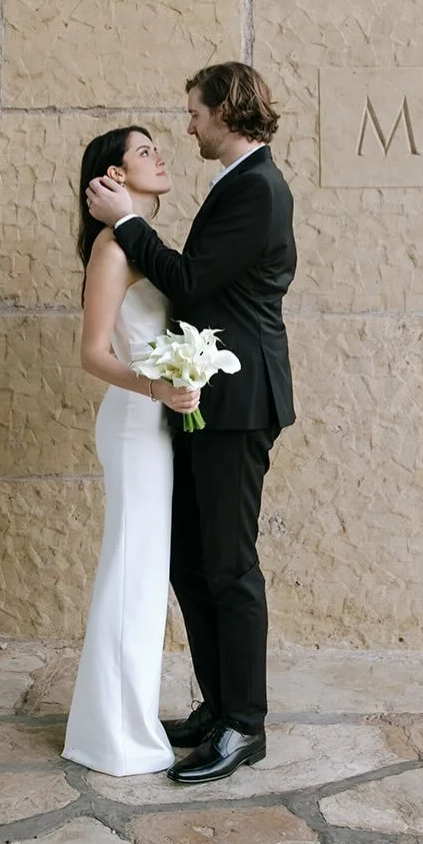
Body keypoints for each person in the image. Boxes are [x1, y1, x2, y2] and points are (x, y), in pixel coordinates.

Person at [86, 62, 296, 785]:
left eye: (194, 113)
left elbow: (190, 281)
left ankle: (246, 725)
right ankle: (217, 706)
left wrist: (126, 222)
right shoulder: (237, 184)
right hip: (203, 401)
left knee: (230, 567)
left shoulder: (257, 189)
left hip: (238, 406)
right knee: (192, 562)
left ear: (225, 111)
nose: (188, 126)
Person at [62, 125, 201, 777]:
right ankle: (113, 736)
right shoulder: (112, 249)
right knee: (131, 572)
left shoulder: (145, 242)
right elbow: (93, 352)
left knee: (146, 573)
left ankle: (124, 720)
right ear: (113, 176)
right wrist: (154, 386)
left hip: (159, 419)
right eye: (143, 151)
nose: (159, 156)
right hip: (133, 422)